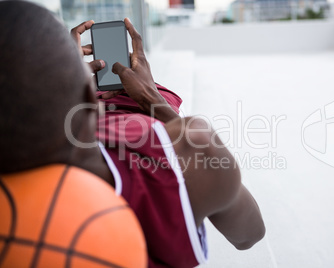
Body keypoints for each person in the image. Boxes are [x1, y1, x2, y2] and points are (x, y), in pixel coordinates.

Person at [0, 1, 265, 267]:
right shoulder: (193, 146)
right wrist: (153, 99)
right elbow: (249, 235)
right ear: (89, 99)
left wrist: (58, 72)